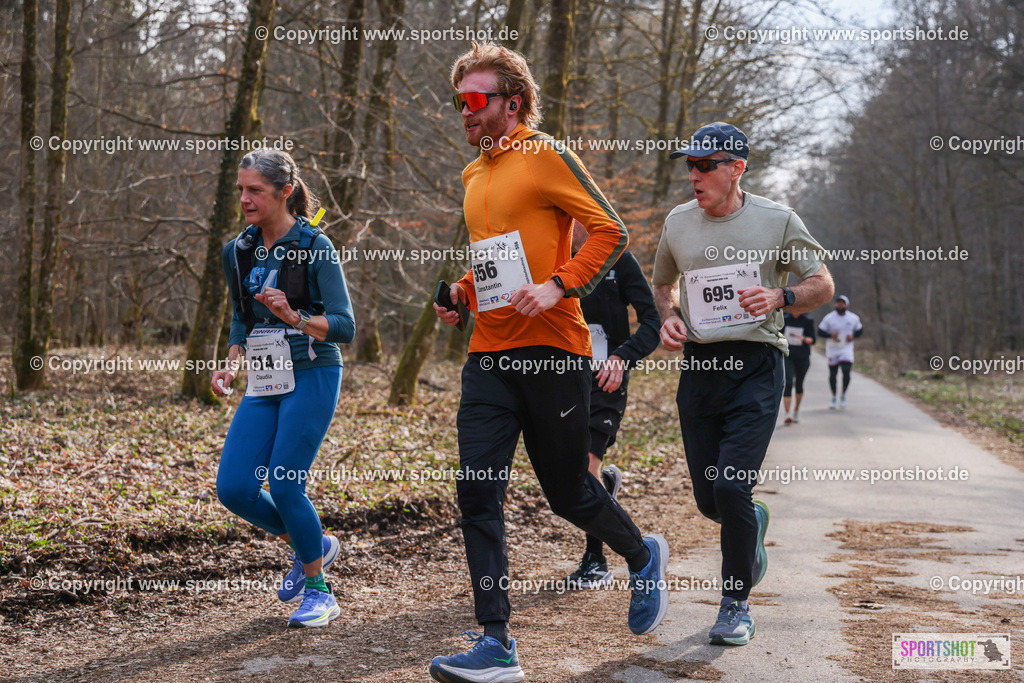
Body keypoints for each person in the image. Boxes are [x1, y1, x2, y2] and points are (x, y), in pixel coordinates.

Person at [429, 42, 669, 683]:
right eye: (459, 102)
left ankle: (642, 555)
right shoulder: (473, 174)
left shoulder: (543, 155)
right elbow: (497, 262)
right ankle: (497, 643)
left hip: (553, 353)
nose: (464, 113)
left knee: (568, 493)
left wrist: (560, 286)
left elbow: (612, 232)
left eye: (474, 101)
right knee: (477, 490)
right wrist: (463, 295)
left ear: (513, 103)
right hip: (488, 356)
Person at [652, 122, 834, 646]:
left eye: (707, 165)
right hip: (700, 369)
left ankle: (734, 606)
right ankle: (749, 520)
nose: (695, 174)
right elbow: (663, 284)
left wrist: (781, 298)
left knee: (731, 484)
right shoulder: (678, 223)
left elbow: (822, 283)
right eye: (691, 164)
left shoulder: (777, 220)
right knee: (713, 501)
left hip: (757, 365)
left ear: (737, 168)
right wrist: (668, 318)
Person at [211, 149, 355, 628]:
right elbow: (240, 316)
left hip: (313, 373)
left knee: (285, 481)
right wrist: (230, 365)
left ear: (284, 192)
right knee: (234, 487)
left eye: (255, 190)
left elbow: (345, 326)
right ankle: (311, 543)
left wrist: (293, 316)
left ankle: (319, 591)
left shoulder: (315, 247)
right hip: (265, 377)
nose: (245, 199)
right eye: (241, 190)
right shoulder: (238, 250)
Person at [561, 221, 661, 589]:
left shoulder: (620, 261)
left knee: (584, 469)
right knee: (567, 477)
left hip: (606, 378)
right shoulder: (551, 261)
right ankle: (604, 485)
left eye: (574, 219)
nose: (567, 227)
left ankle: (596, 560)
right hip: (560, 379)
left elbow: (652, 320)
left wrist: (623, 357)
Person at [817, 295, 863, 409]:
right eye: (838, 303)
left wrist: (853, 336)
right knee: (833, 374)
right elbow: (820, 332)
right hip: (833, 348)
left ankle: (843, 394)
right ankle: (833, 396)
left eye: (843, 303)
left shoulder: (853, 318)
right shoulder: (829, 318)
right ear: (835, 304)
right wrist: (830, 335)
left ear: (847, 305)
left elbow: (860, 330)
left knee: (846, 371)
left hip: (846, 348)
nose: (840, 305)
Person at [781, 310, 815, 424]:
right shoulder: (784, 319)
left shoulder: (807, 321)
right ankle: (787, 414)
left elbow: (812, 340)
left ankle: (796, 409)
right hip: (787, 356)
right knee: (788, 383)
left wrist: (803, 338)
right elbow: (777, 335)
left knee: (799, 384)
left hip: (803, 357)